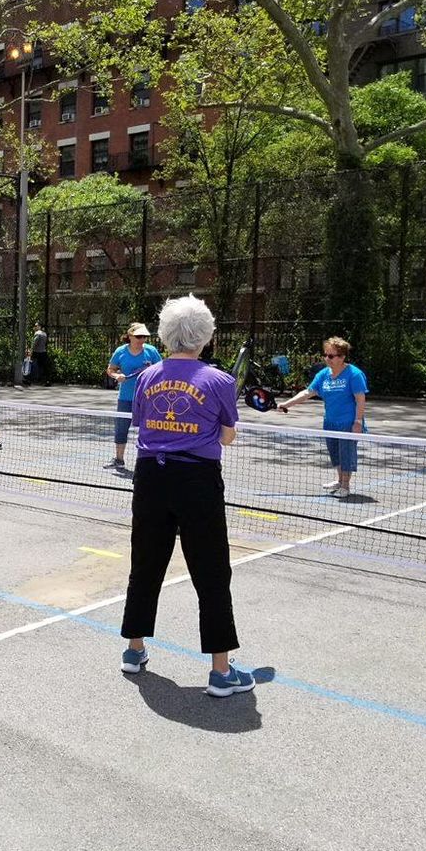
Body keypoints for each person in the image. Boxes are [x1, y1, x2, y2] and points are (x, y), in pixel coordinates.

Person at [119, 294, 253, 698]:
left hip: (150, 478)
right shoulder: (220, 381)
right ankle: (220, 670)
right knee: (211, 571)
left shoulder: (147, 376)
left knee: (146, 563)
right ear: (206, 334)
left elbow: (144, 424)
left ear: (166, 333)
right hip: (197, 479)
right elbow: (227, 436)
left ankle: (134, 649)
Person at [276, 336, 368, 499]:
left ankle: (346, 486)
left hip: (348, 422)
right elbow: (308, 392)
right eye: (326, 355)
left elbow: (360, 399)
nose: (327, 359)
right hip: (330, 421)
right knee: (335, 453)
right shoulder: (323, 374)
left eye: (331, 356)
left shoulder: (354, 374)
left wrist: (358, 422)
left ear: (342, 357)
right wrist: (286, 404)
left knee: (346, 453)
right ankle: (339, 480)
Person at [106, 322, 163, 472]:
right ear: (130, 336)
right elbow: (110, 369)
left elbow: (162, 370)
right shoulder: (121, 351)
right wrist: (117, 375)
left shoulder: (151, 351)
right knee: (121, 428)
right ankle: (119, 459)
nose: (142, 339)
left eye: (144, 337)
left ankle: (148, 461)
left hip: (148, 398)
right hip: (125, 397)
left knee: (148, 429)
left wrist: (152, 371)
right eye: (138, 336)